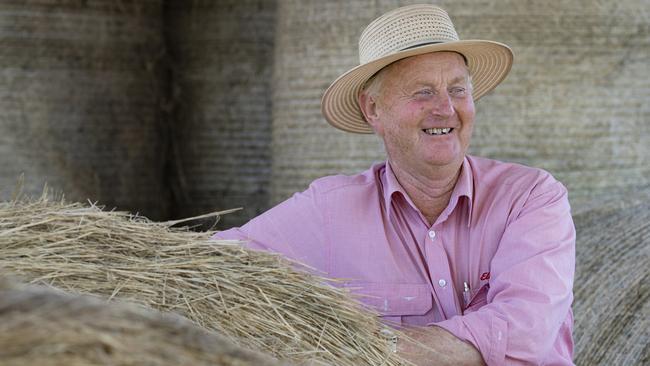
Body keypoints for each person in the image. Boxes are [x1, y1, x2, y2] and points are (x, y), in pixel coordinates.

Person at [213, 4, 575, 365]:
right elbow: (208, 269)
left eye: (458, 90)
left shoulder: (531, 197)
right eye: (423, 92)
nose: (446, 108)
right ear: (373, 109)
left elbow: (525, 332)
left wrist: (363, 347)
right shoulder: (329, 211)